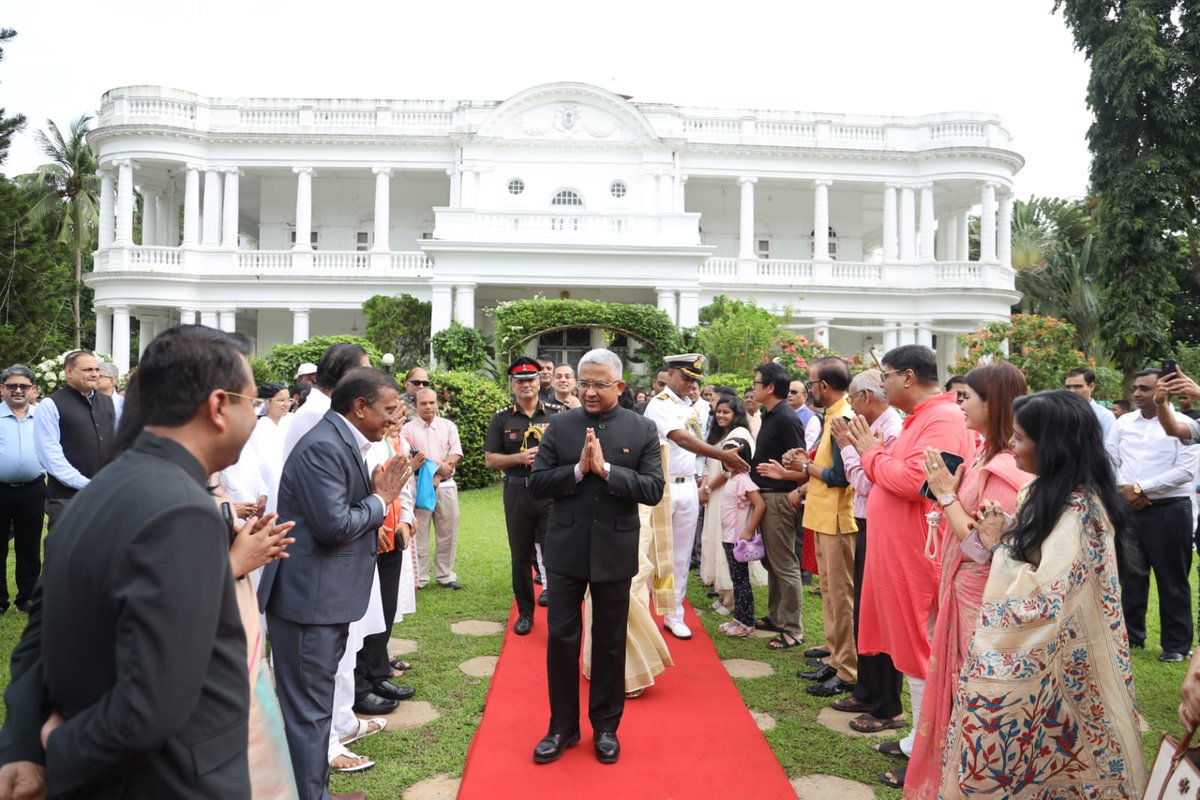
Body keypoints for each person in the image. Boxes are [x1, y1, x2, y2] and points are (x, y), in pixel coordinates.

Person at [0, 325, 265, 798]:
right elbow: (151, 705)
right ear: (220, 407)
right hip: (170, 782)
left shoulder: (100, 489)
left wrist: (20, 745)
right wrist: (55, 749)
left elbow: (35, 641)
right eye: (254, 403)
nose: (258, 416)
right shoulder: (183, 510)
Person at [938, 390, 1145, 797]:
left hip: (1066, 660)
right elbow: (1035, 555)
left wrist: (1001, 546)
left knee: (1047, 750)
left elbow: (1043, 597)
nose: (1011, 447)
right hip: (1042, 658)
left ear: (1051, 445)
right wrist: (1006, 534)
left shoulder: (1083, 510)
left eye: (1019, 438)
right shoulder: (1040, 491)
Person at [258, 368, 415, 800]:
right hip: (309, 601)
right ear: (359, 407)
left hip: (324, 597)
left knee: (315, 707)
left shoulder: (342, 439)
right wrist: (381, 499)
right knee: (309, 712)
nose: (393, 419)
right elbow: (334, 524)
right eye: (387, 410)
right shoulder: (324, 447)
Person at [527, 348, 664, 766]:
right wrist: (576, 471)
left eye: (598, 384)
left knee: (608, 643)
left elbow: (653, 488)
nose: (587, 391)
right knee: (562, 640)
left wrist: (606, 471)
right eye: (583, 383)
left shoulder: (642, 429)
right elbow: (536, 483)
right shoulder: (561, 426)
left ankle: (606, 727)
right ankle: (562, 727)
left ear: (620, 386)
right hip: (566, 551)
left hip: (614, 550)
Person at [843, 344, 975, 771]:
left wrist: (870, 453)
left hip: (921, 550)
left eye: (886, 376)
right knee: (910, 644)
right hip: (904, 550)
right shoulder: (922, 418)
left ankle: (928, 754)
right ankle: (918, 738)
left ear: (908, 377)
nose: (881, 385)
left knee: (922, 648)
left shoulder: (944, 419)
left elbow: (915, 482)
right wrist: (875, 456)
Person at [903, 362, 1033, 798]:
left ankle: (965, 778)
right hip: (961, 586)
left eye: (966, 397)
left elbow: (981, 544)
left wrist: (944, 492)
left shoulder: (1004, 468)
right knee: (957, 688)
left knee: (970, 689)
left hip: (980, 594)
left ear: (992, 402)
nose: (959, 404)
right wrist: (951, 491)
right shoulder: (985, 453)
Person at [644, 354, 748, 640]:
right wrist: (721, 455)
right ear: (671, 374)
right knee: (651, 552)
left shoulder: (696, 406)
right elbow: (681, 438)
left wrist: (703, 478)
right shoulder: (660, 404)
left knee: (680, 553)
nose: (691, 384)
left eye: (695, 380)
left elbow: (700, 441)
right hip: (662, 484)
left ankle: (673, 613)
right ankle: (641, 611)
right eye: (686, 377)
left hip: (688, 484)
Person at [827, 369, 905, 733]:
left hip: (884, 526)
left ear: (866, 397)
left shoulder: (890, 430)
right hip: (869, 523)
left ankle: (887, 703)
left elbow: (868, 483)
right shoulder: (878, 426)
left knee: (881, 613)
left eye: (854, 398)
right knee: (866, 611)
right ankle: (867, 689)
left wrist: (847, 447)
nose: (852, 406)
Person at [1107, 368, 1198, 661]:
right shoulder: (1123, 424)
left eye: (1145, 389)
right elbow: (1110, 459)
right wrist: (1126, 491)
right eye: (1136, 388)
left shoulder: (1184, 423)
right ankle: (1131, 637)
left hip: (1169, 511)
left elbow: (1185, 471)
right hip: (1128, 509)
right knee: (1131, 576)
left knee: (1172, 579)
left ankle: (1175, 646)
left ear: (1163, 391)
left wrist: (1140, 488)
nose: (1137, 393)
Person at [786, 357, 859, 698]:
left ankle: (847, 669)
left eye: (811, 383)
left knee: (840, 597)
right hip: (822, 516)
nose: (810, 387)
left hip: (837, 518)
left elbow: (840, 477)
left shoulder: (843, 416)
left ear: (824, 387)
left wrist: (806, 466)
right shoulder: (832, 415)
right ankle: (834, 656)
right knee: (829, 594)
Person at [484, 358, 559, 634]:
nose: (526, 385)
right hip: (517, 491)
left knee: (554, 551)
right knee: (520, 555)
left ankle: (558, 609)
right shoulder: (502, 418)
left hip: (550, 492)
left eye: (531, 379)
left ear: (540, 382)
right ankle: (525, 613)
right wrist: (518, 457)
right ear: (512, 385)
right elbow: (490, 460)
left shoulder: (557, 414)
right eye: (520, 381)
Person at [750, 361, 808, 651]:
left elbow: (803, 464)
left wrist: (791, 485)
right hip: (766, 494)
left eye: (757, 383)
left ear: (770, 387)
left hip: (780, 497)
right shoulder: (770, 414)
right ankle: (776, 617)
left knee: (784, 563)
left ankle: (794, 627)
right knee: (772, 561)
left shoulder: (786, 417)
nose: (753, 388)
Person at [32, 350, 115, 530]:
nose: (94, 374)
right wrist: (87, 484)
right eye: (87, 370)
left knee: (102, 554)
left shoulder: (107, 402)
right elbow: (51, 457)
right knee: (64, 555)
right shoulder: (50, 405)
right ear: (68, 372)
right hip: (66, 499)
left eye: (96, 369)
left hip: (105, 496)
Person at [402, 387, 464, 590]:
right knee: (419, 533)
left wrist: (441, 471)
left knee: (448, 531)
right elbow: (413, 457)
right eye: (423, 403)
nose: (428, 407)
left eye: (432, 403)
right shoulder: (407, 430)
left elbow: (455, 453)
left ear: (437, 403)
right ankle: (420, 577)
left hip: (446, 486)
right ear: (415, 406)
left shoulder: (448, 426)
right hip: (420, 487)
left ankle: (445, 575)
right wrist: (438, 468)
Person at [698, 394, 753, 613]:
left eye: (726, 412)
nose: (721, 415)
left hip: (728, 496)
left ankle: (730, 599)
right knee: (714, 539)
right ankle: (722, 595)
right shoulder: (721, 435)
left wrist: (708, 488)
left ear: (736, 414)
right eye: (718, 411)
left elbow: (729, 469)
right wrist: (704, 486)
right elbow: (709, 465)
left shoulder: (739, 435)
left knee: (726, 543)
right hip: (714, 495)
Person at [0, 366, 44, 613]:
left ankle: (27, 597)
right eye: (12, 386)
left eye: (24, 386)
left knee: (29, 546)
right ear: (1, 389)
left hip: (33, 490)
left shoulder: (43, 417)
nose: (18, 390)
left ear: (33, 391)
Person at [716, 437, 763, 637]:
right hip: (728, 537)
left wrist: (749, 530)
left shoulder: (743, 479)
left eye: (733, 455)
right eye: (725, 455)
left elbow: (760, 504)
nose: (728, 459)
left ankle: (746, 623)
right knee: (737, 579)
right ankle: (738, 618)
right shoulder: (732, 478)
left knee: (741, 580)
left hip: (737, 539)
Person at [1064, 366, 1116, 439]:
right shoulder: (1059, 412)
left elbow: (1107, 447)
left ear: (1091, 386)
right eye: (1068, 387)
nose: (1071, 391)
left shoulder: (1104, 416)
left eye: (1078, 386)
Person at [788, 380, 821, 449]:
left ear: (805, 396)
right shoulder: (780, 413)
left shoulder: (812, 419)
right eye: (787, 391)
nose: (789, 395)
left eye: (794, 392)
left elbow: (808, 447)